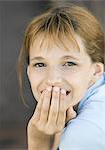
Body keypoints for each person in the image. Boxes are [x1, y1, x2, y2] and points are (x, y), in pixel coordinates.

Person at [17, 2, 105, 150]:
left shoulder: (82, 135)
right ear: (29, 71)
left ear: (96, 71)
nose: (52, 79)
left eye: (69, 63)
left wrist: (38, 141)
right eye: (40, 64)